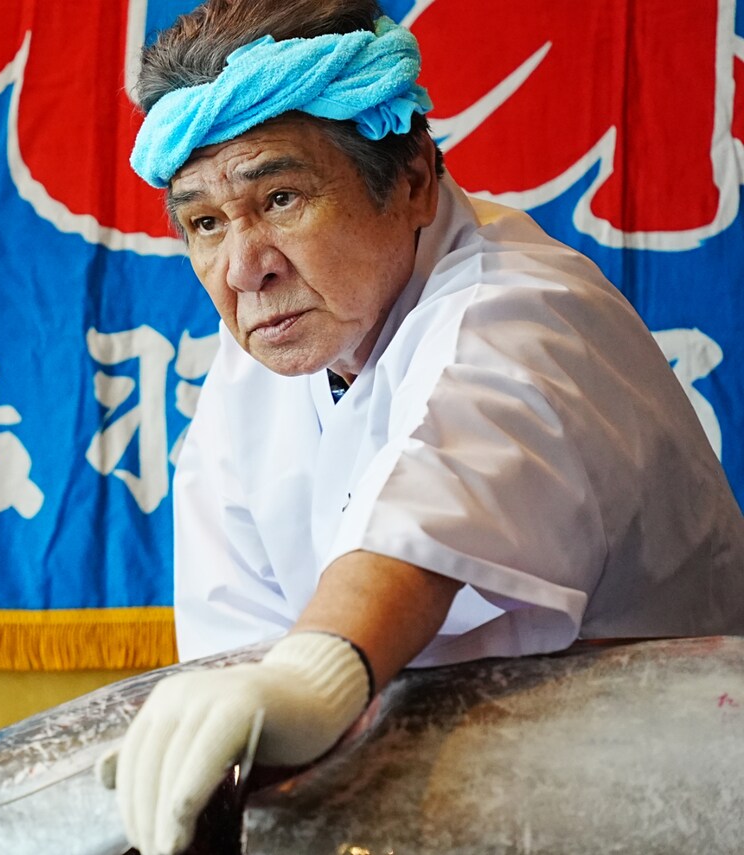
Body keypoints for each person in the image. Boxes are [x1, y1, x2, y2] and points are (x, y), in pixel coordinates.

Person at [94, 2, 744, 854]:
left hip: (665, 807)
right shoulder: (259, 361)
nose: (243, 268)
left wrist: (306, 676)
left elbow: (431, 506)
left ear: (412, 181)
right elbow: (234, 655)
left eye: (280, 196)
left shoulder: (526, 310)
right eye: (206, 224)